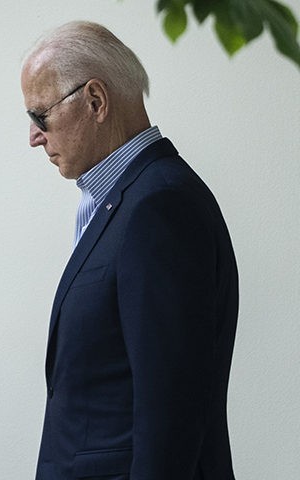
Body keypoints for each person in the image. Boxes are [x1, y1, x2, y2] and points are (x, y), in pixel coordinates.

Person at [21, 21, 239, 479]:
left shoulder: (160, 207)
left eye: (40, 116)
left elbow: (172, 417)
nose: (34, 137)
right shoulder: (128, 201)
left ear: (95, 101)